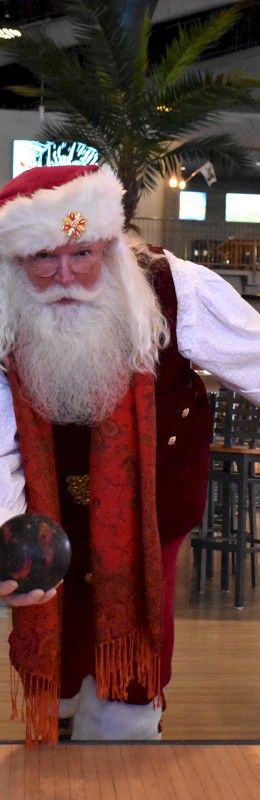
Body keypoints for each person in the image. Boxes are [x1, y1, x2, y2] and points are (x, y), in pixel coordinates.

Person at [0, 164, 259, 746]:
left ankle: (125, 740)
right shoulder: (4, 307)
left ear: (109, 243)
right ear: (16, 261)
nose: (66, 275)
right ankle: (62, 737)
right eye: (43, 258)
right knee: (60, 631)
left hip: (153, 508)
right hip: (48, 518)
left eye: (82, 254)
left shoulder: (175, 286)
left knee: (136, 635)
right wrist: (6, 531)